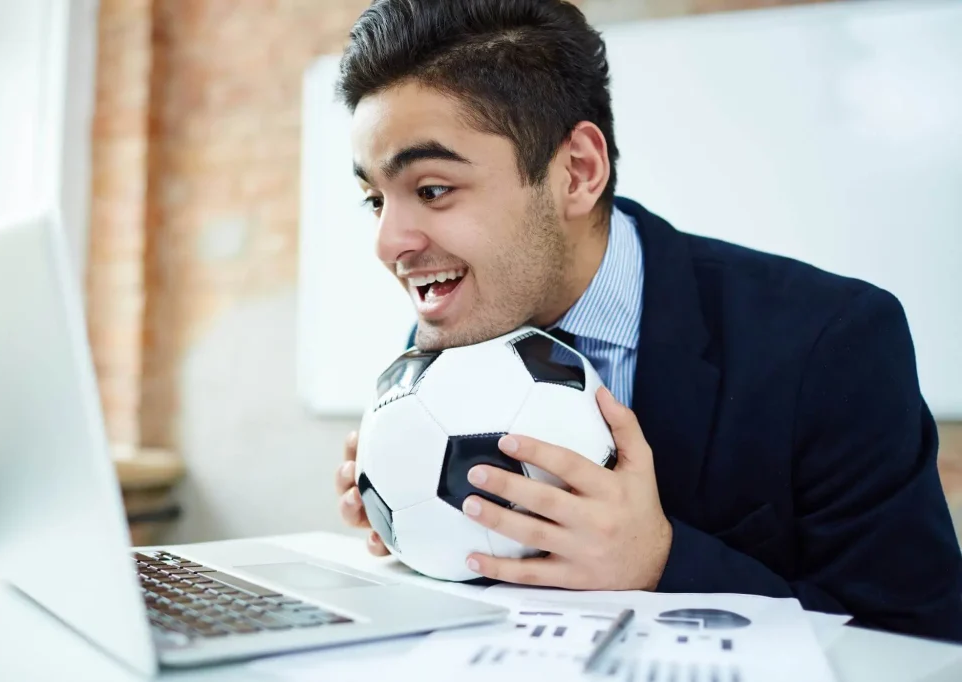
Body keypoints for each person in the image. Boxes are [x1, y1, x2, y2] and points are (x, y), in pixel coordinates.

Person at [329, 0, 962, 643]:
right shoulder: (456, 333)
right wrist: (411, 522)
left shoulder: (834, 341)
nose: (388, 244)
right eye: (376, 200)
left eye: (432, 190)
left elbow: (919, 636)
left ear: (577, 171)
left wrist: (660, 563)